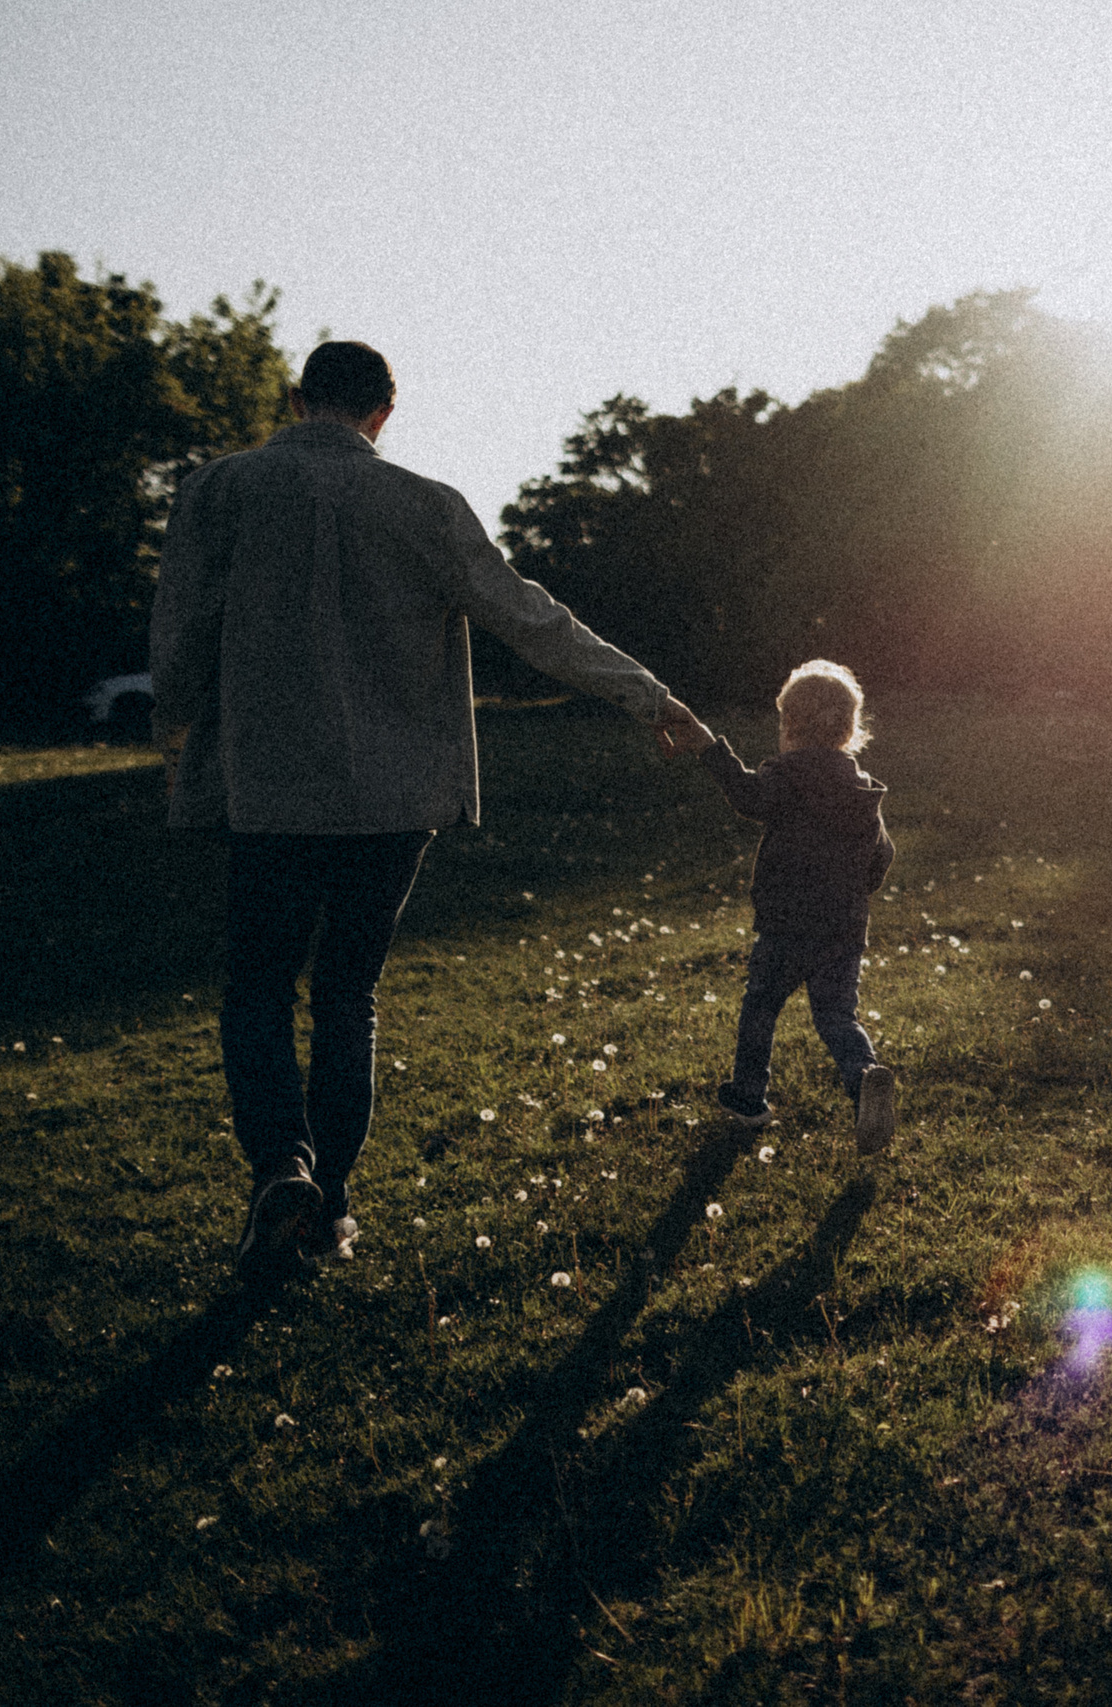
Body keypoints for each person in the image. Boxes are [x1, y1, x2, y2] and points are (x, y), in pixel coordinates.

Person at [152, 340, 704, 1282]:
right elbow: (530, 617)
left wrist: (180, 730)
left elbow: (181, 638)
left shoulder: (219, 492)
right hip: (392, 798)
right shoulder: (425, 505)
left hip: (270, 789)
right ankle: (327, 1210)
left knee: (255, 988)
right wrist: (649, 695)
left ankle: (281, 1165)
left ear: (299, 398)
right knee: (347, 993)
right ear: (384, 412)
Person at [663, 660, 899, 1153]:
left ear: (789, 726)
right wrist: (856, 892)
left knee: (762, 1006)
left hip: (788, 925)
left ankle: (749, 1098)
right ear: (851, 730)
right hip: (843, 928)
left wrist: (709, 747)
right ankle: (863, 1079)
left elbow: (749, 796)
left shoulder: (788, 776)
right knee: (837, 1016)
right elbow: (884, 852)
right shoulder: (861, 788)